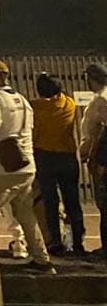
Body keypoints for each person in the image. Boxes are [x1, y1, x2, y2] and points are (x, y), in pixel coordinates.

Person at [0, 59, 54, 273]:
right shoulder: (22, 100)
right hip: (27, 164)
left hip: (3, 167)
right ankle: (42, 259)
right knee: (25, 213)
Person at [32, 73, 84, 256]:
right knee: (73, 202)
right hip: (68, 156)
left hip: (45, 157)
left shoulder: (36, 108)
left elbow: (35, 132)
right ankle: (77, 242)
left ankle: (56, 241)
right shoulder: (70, 103)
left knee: (50, 201)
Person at [79, 63, 107, 261]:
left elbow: (98, 134)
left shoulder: (101, 100)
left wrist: (94, 157)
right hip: (100, 154)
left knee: (104, 204)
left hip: (102, 157)